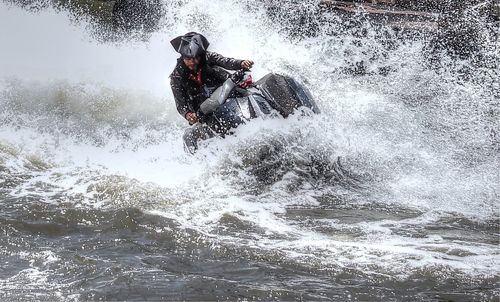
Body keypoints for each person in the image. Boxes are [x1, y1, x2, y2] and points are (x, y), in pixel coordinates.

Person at [170, 32, 254, 125]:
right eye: (188, 59)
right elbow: (180, 104)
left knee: (246, 89)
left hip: (227, 90)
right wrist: (188, 114)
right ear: (183, 58)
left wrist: (241, 63)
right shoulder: (176, 76)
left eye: (195, 58)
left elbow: (226, 61)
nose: (192, 62)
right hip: (204, 108)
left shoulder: (208, 56)